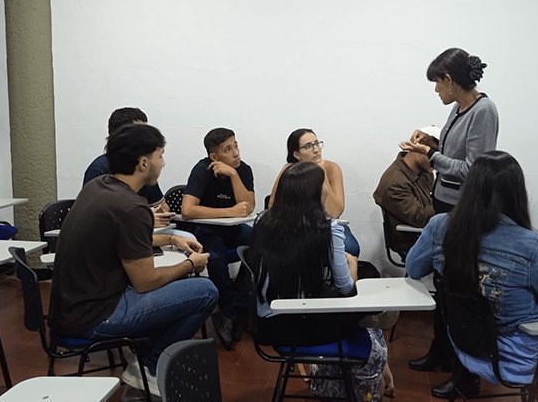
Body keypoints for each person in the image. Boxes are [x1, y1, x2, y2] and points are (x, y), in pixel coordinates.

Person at [406, 151, 538, 402]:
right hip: (518, 359)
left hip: (467, 347)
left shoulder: (440, 226)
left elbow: (413, 268)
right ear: (516, 194)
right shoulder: (533, 245)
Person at [49, 124, 218, 397]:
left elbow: (120, 238)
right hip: (97, 316)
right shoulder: (132, 207)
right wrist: (191, 265)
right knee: (205, 291)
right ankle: (148, 367)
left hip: (70, 310)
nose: (163, 162)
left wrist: (172, 240)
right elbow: (145, 281)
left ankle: (143, 362)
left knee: (176, 293)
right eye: (160, 155)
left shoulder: (100, 187)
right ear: (143, 163)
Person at [400, 48, 499, 398]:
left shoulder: (483, 111)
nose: (435, 91)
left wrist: (431, 156)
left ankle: (465, 372)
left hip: (464, 209)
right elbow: (452, 154)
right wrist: (426, 145)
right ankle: (441, 352)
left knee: (459, 292)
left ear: (450, 80)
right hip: (446, 202)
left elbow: (475, 169)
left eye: (436, 84)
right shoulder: (459, 108)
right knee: (442, 286)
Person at [249, 162, 389, 401]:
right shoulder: (327, 228)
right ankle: (374, 373)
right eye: (324, 182)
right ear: (315, 192)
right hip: (301, 325)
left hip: (267, 326)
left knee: (368, 304)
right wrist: (351, 265)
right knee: (367, 300)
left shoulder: (263, 221)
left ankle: (350, 378)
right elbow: (346, 288)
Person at [181, 127, 255, 350]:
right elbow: (187, 211)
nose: (235, 152)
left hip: (232, 229)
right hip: (206, 230)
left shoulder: (243, 170)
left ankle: (238, 304)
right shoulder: (201, 170)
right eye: (228, 149)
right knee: (215, 257)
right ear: (214, 157)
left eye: (236, 145)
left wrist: (233, 174)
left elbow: (248, 208)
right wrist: (229, 211)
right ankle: (226, 312)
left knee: (262, 243)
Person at [269, 128, 361, 256]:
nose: (316, 150)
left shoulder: (331, 168)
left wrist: (320, 175)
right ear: (296, 154)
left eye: (317, 143)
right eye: (308, 146)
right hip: (296, 225)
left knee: (351, 248)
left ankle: (340, 275)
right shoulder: (290, 170)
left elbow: (335, 212)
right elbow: (272, 206)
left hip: (327, 224)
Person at [83, 107, 174, 228]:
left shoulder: (144, 173)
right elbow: (102, 224)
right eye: (141, 133)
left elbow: (162, 208)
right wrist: (146, 218)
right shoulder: (99, 171)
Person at [373, 126, 438, 259]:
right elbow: (420, 218)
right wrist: (451, 205)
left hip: (427, 235)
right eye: (432, 153)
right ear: (419, 148)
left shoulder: (425, 171)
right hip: (411, 242)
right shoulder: (394, 182)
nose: (436, 159)